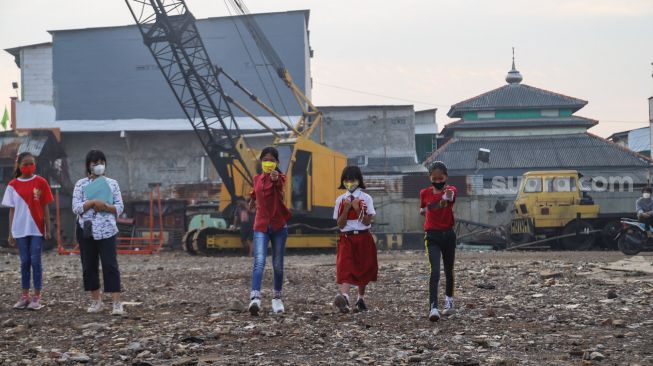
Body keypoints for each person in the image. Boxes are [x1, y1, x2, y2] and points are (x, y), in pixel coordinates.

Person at [72, 150, 125, 315]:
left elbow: (120, 207)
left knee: (110, 265)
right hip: (86, 230)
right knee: (89, 266)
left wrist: (106, 207)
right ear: (88, 165)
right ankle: (96, 301)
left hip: (107, 230)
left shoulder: (112, 183)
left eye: (101, 162)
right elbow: (76, 207)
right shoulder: (80, 184)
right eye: (95, 163)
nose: (98, 166)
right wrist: (92, 202)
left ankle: (117, 303)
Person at [2, 152, 53, 310]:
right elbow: (11, 210)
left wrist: (48, 228)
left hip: (37, 228)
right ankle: (25, 296)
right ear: (18, 165)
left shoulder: (41, 182)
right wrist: (10, 232)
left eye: (31, 163)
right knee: (24, 262)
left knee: (36, 261)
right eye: (25, 163)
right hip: (19, 229)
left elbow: (45, 206)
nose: (29, 166)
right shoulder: (12, 185)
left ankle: (37, 297)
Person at [247, 147, 292, 315]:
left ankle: (277, 298)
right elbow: (255, 193)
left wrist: (275, 179)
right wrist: (252, 200)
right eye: (265, 159)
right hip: (261, 226)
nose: (268, 162)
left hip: (279, 226)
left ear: (276, 163)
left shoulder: (279, 177)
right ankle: (255, 298)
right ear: (261, 161)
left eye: (271, 160)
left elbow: (279, 187)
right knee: (259, 261)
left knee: (278, 264)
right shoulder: (256, 179)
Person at [332, 166, 378, 313]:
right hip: (347, 237)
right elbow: (339, 224)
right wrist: (346, 209)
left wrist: (357, 208)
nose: (349, 183)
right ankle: (344, 297)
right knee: (345, 266)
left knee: (363, 267)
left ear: (359, 181)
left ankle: (360, 298)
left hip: (363, 236)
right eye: (346, 180)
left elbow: (367, 222)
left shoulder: (366, 198)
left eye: (352, 180)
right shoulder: (340, 200)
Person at [420, 161, 458, 322]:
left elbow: (448, 199)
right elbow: (423, 209)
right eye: (434, 178)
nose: (437, 181)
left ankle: (449, 301)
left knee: (449, 269)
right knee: (434, 271)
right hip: (432, 236)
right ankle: (433, 307)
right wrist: (427, 210)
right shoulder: (424, 193)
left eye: (440, 178)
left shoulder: (451, 190)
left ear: (446, 177)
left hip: (448, 235)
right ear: (430, 177)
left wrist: (442, 201)